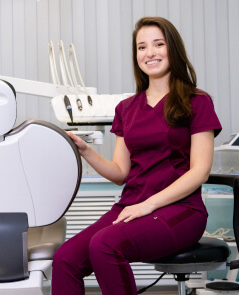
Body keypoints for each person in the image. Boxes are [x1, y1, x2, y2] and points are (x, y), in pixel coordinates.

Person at [51, 16, 222, 295]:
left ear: (173, 49)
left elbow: (199, 171)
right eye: (142, 47)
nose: (150, 53)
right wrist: (86, 151)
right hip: (132, 206)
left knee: (104, 245)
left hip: (181, 211)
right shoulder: (126, 108)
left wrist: (148, 205)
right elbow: (120, 172)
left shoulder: (196, 102)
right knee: (66, 259)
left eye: (158, 44)